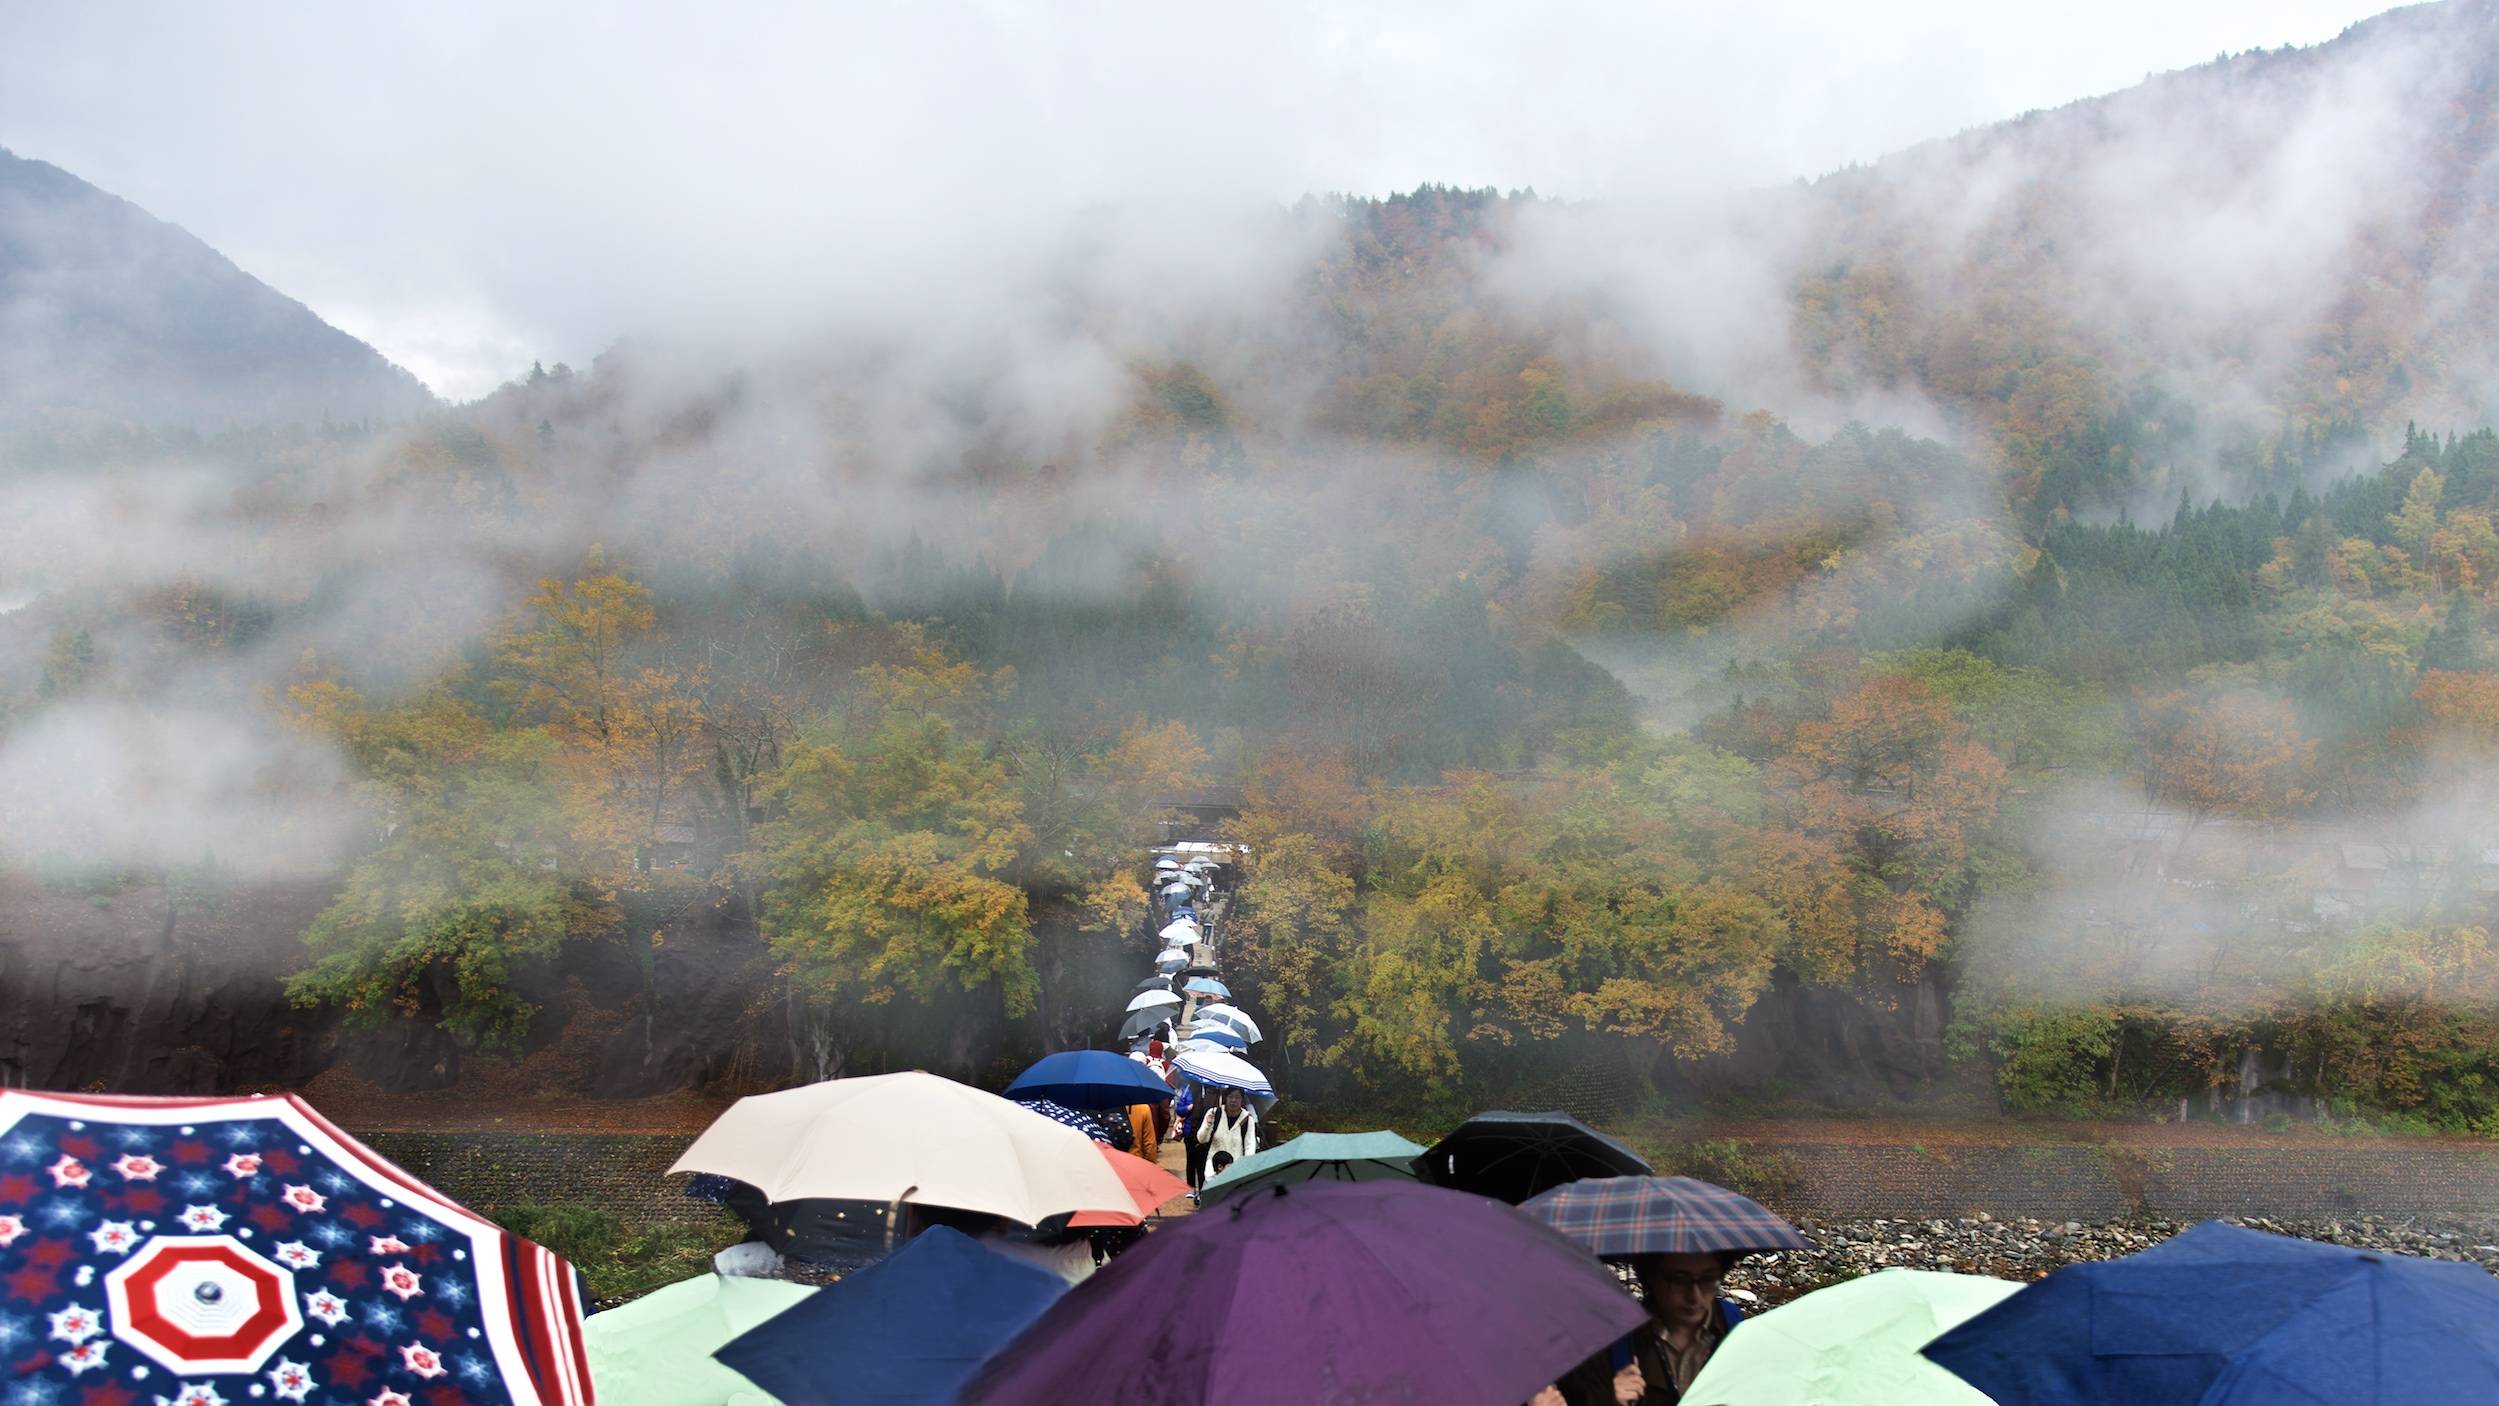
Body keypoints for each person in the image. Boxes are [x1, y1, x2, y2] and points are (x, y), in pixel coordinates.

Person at [1555, 1252, 1744, 1406]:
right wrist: (1610, 1400)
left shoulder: (1739, 1331)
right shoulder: (1611, 1342)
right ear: (1651, 1277)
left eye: (1708, 1279)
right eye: (1679, 1280)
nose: (1694, 1296)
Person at [1193, 1087, 1258, 1173]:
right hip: (1213, 1170)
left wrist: (1246, 1168)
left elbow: (1249, 1146)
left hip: (1236, 1170)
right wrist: (1208, 1125)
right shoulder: (1214, 1113)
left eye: (1237, 1097)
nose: (1233, 1100)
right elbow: (1201, 1139)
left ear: (1242, 1101)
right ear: (1225, 1098)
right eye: (1230, 1096)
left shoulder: (1247, 1119)